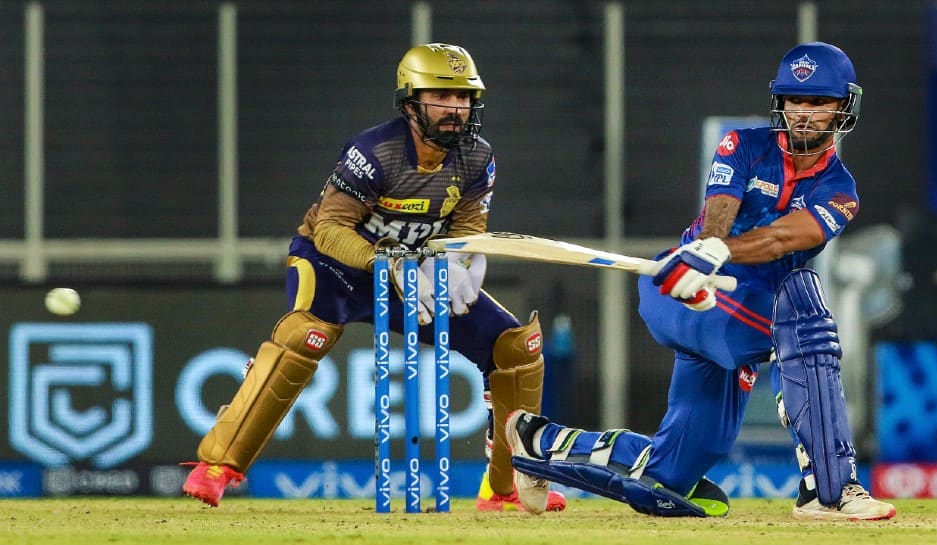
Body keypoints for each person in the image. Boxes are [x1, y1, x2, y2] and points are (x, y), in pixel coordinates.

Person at [502, 42, 897, 521]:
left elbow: (785, 239)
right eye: (795, 100)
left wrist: (721, 252)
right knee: (804, 304)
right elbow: (719, 216)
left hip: (745, 318)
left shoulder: (841, 191)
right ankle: (830, 490)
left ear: (843, 107)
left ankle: (537, 439)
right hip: (680, 290)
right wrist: (705, 255)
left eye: (818, 102)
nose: (804, 113)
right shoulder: (744, 145)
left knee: (675, 470)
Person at [181, 42, 566, 513]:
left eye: (464, 98)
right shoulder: (375, 151)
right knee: (307, 337)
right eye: (442, 97)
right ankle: (219, 464)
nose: (456, 109)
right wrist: (388, 260)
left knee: (515, 348)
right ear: (409, 103)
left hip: (414, 273)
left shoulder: (477, 156)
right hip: (335, 266)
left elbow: (466, 224)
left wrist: (463, 259)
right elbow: (329, 227)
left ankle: (504, 488)